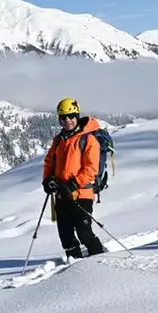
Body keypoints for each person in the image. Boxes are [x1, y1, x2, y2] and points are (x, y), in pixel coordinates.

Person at [42, 98, 105, 259]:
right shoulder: (59, 140)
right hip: (62, 195)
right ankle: (75, 268)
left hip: (81, 194)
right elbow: (49, 162)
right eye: (63, 117)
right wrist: (47, 180)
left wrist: (73, 184)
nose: (67, 120)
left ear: (77, 115)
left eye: (71, 116)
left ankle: (100, 260)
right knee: (66, 237)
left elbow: (91, 168)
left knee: (84, 233)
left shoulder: (87, 139)